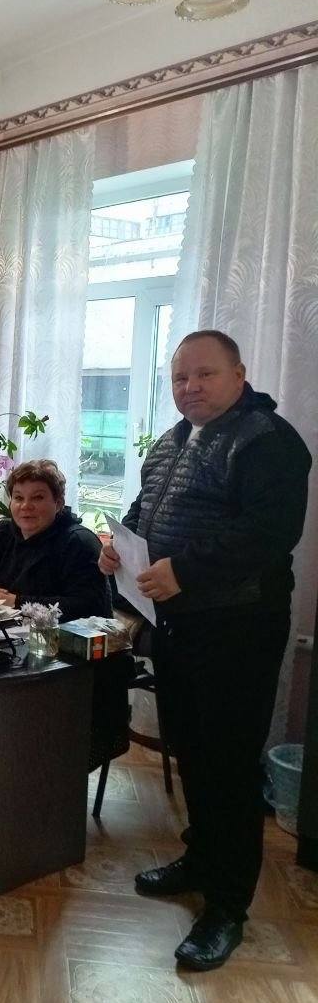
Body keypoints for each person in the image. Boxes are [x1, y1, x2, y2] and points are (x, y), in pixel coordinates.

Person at [100, 331, 311, 970]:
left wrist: (184, 570)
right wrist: (119, 547)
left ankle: (227, 906)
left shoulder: (268, 441)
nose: (189, 386)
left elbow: (270, 533)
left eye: (205, 374)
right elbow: (145, 509)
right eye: (179, 377)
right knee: (192, 750)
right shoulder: (172, 441)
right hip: (178, 626)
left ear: (239, 375)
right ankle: (200, 857)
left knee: (229, 765)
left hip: (237, 629)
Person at [0, 458, 111, 621]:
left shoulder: (79, 542)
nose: (25, 506)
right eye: (18, 498)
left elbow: (88, 606)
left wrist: (16, 602)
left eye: (37, 497)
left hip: (55, 637)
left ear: (58, 503)